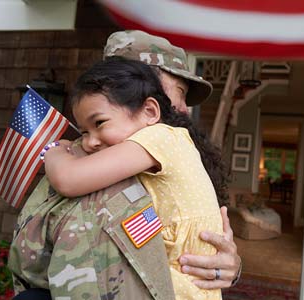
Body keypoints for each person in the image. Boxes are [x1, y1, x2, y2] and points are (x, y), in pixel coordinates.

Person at [43, 58, 223, 299]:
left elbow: (68, 179)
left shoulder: (161, 137)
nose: (89, 142)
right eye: (84, 131)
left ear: (150, 112)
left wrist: (54, 150)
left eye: (99, 123)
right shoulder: (166, 144)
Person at [103, 30, 241, 289]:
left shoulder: (182, 155)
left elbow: (211, 243)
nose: (185, 109)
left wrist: (230, 265)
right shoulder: (88, 161)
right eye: (179, 91)